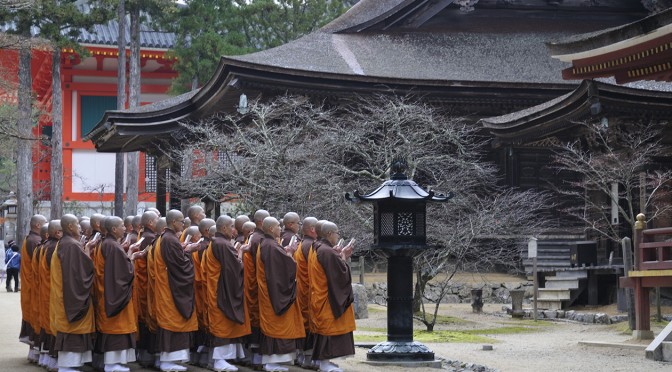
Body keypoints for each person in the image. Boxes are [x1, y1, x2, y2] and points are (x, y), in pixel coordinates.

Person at [203, 215, 251, 371]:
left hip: (218, 288)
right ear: (223, 228)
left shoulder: (216, 242)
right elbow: (234, 268)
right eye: (231, 226)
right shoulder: (222, 244)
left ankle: (216, 359)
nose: (234, 230)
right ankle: (219, 360)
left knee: (222, 323)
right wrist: (242, 252)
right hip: (222, 291)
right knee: (222, 322)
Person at [257, 217, 304, 372]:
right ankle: (271, 362)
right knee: (277, 325)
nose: (280, 228)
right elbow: (280, 272)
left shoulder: (268, 244)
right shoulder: (270, 246)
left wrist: (286, 253)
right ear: (271, 229)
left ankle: (272, 362)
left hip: (270, 293)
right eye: (278, 226)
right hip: (274, 295)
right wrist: (290, 254)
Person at [50, 214, 96, 372]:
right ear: (69, 226)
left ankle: (70, 365)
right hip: (71, 298)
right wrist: (88, 252)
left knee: (73, 330)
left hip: (65, 296)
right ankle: (67, 366)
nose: (80, 227)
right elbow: (79, 274)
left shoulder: (67, 243)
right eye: (77, 224)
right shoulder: (70, 245)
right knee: (73, 329)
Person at [308, 222, 355, 372]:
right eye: (337, 233)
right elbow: (339, 275)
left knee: (324, 330)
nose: (337, 236)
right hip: (328, 299)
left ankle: (325, 362)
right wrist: (343, 257)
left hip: (319, 296)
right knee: (328, 330)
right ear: (329, 234)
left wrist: (338, 256)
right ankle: (324, 363)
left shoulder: (318, 248)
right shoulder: (327, 252)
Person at [154, 209, 197, 372]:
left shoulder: (169, 238)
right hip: (171, 288)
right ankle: (167, 361)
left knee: (173, 321)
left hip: (169, 286)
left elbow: (175, 259)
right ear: (173, 222)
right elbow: (180, 266)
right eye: (181, 221)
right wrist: (189, 252)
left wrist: (183, 250)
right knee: (172, 322)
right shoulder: (170, 240)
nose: (183, 224)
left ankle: (171, 360)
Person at [93, 216, 137, 372]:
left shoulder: (107, 244)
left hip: (107, 293)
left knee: (115, 327)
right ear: (113, 229)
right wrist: (132, 256)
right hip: (114, 296)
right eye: (122, 226)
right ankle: (112, 364)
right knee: (117, 328)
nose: (125, 228)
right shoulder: (112, 246)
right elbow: (123, 273)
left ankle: (113, 363)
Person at [131, 210, 160, 367]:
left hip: (143, 283)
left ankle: (143, 355)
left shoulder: (143, 235)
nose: (160, 221)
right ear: (150, 223)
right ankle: (147, 356)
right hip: (145, 283)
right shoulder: (149, 238)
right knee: (147, 318)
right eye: (157, 219)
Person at [20, 214, 48, 363]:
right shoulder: (35, 241)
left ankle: (34, 353)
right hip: (35, 287)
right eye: (45, 222)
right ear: (38, 225)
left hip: (32, 286)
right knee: (37, 319)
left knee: (35, 318)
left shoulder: (30, 239)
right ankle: (37, 353)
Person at [245, 209, 269, 368]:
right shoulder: (259, 239)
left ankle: (255, 358)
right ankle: (257, 359)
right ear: (261, 222)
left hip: (255, 283)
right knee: (258, 320)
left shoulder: (255, 237)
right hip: (258, 284)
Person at [37, 220, 62, 372]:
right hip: (52, 292)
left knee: (48, 324)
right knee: (53, 326)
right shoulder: (53, 247)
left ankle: (46, 359)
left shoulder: (44, 246)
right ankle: (53, 361)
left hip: (46, 291)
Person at [294, 217, 318, 368]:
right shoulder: (309, 245)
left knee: (304, 322)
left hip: (302, 290)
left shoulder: (302, 243)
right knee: (309, 323)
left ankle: (301, 355)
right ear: (313, 230)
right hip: (309, 291)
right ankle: (307, 357)